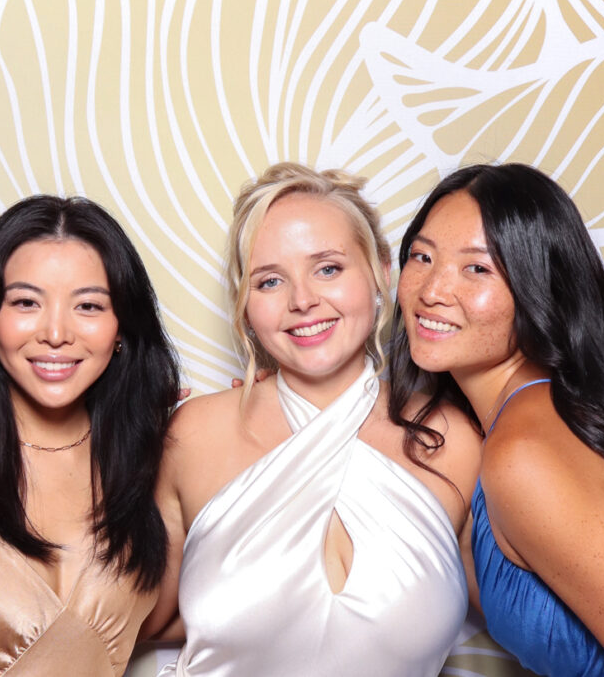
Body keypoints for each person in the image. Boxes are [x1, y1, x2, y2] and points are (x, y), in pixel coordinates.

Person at [146, 163, 482, 676]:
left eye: (328, 268)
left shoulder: (449, 439)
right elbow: (130, 624)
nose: (302, 301)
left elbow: (532, 614)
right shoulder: (193, 435)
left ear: (381, 276)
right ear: (246, 307)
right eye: (270, 281)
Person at [391, 162, 604, 676]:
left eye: (477, 268)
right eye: (422, 256)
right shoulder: (508, 428)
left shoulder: (529, 451)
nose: (432, 289)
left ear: (537, 287)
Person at [0, 195, 181, 675]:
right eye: (26, 302)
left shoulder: (152, 460)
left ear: (121, 328)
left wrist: (265, 405)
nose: (56, 333)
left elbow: (196, 614)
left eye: (89, 305)